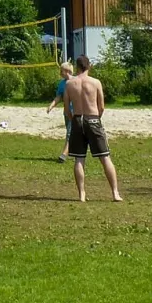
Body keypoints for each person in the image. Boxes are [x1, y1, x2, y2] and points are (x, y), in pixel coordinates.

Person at [64, 55, 121, 202]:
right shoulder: (95, 83)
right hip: (93, 118)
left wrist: (74, 120)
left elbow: (66, 109)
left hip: (77, 119)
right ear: (89, 66)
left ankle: (82, 194)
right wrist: (96, 118)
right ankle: (115, 193)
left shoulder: (70, 84)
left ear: (76, 67)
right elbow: (101, 106)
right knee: (105, 157)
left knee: (79, 158)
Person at [45, 62, 73, 162]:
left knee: (70, 133)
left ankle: (64, 154)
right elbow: (59, 97)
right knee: (71, 132)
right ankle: (76, 152)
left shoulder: (76, 81)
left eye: (62, 71)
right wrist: (51, 106)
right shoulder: (62, 84)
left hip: (76, 111)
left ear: (68, 71)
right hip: (67, 111)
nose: (60, 72)